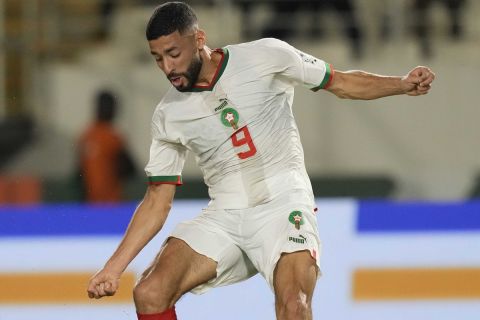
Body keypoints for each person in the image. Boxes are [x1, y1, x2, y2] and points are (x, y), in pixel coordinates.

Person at [87, 2, 435, 319]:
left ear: (199, 39)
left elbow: (341, 82)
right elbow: (156, 202)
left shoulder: (266, 56)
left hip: (284, 205)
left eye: (173, 53)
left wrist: (401, 84)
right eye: (157, 58)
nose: (167, 67)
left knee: (294, 304)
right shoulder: (168, 115)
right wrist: (113, 268)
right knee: (149, 293)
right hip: (225, 215)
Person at [78, 90, 136, 203]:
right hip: (111, 202)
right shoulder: (112, 137)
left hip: (93, 203)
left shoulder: (86, 136)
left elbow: (79, 175)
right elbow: (130, 168)